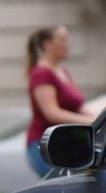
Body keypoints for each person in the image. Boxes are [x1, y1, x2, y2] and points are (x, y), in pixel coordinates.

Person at [25, 26, 95, 176]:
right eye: (62, 40)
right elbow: (52, 113)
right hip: (46, 145)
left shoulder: (62, 71)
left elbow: (77, 105)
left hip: (66, 143)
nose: (67, 44)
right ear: (47, 45)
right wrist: (88, 121)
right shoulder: (41, 73)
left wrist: (99, 118)